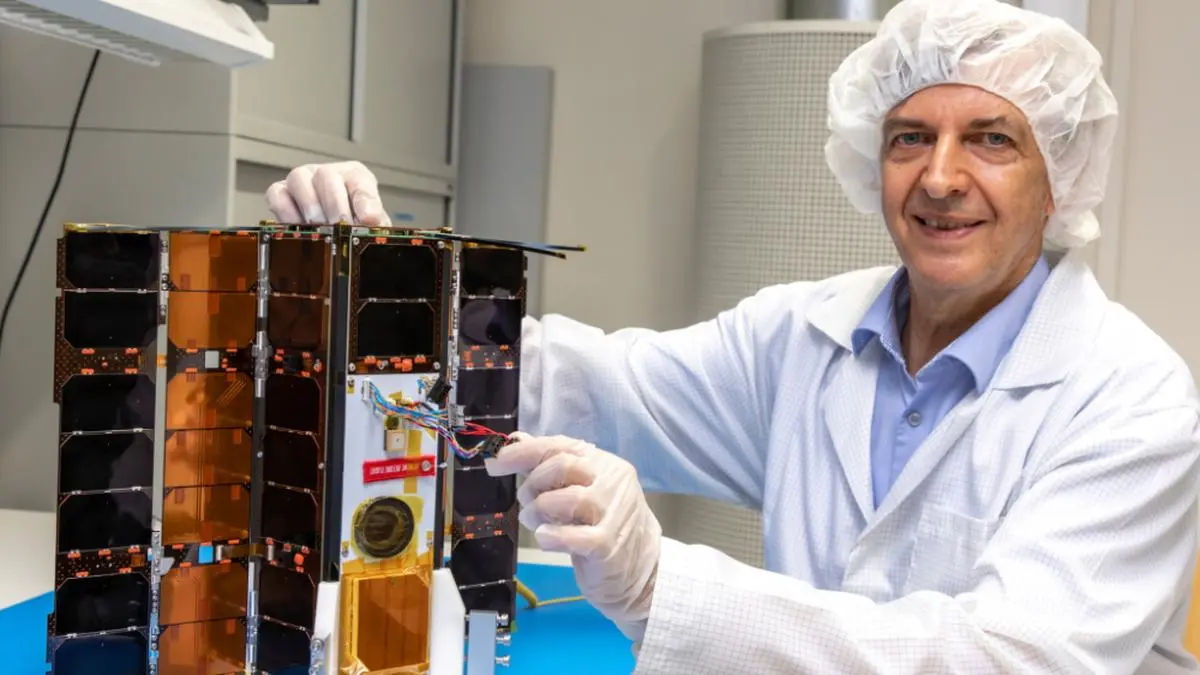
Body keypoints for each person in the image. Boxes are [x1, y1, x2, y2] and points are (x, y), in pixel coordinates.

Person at [267, 0, 1200, 671]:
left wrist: (657, 583)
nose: (941, 178)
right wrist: (390, 293)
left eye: (992, 139)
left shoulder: (1131, 399)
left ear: (1059, 179)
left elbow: (1007, 658)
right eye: (910, 136)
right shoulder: (804, 335)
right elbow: (599, 386)